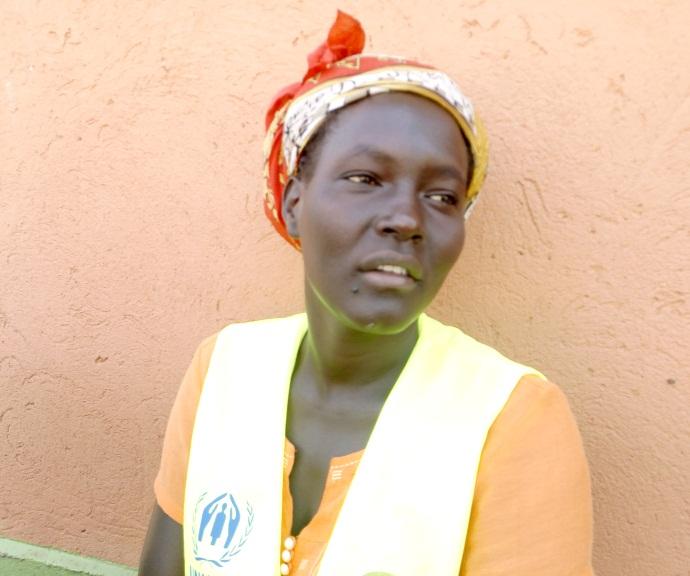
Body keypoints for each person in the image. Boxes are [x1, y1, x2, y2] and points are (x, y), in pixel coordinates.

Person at [138, 11, 593, 576]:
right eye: (365, 179)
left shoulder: (512, 416)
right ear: (294, 203)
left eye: (444, 196)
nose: (406, 218)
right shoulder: (224, 367)